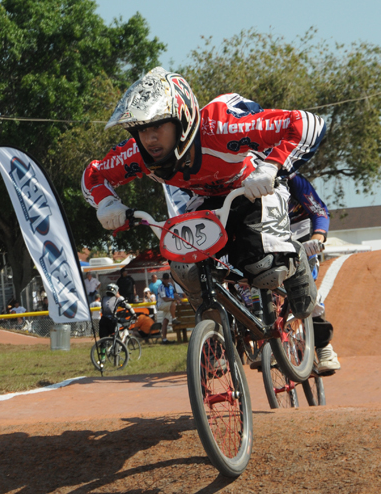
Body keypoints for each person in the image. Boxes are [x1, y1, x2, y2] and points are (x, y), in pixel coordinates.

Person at [82, 66, 321, 328]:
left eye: (158, 125)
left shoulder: (220, 127)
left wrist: (271, 167)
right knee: (185, 269)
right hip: (205, 201)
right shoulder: (137, 154)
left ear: (182, 120)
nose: (149, 138)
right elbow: (94, 175)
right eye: (141, 129)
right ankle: (216, 331)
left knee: (265, 268)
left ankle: (295, 259)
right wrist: (106, 202)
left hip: (252, 188)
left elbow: (307, 123)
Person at [287, 172, 340, 373]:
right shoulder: (241, 178)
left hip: (302, 237)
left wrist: (317, 238)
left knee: (306, 287)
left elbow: (319, 212)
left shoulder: (292, 180)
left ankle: (324, 347)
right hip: (268, 240)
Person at [156, 273, 177, 344]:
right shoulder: (161, 287)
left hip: (168, 305)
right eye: (165, 279)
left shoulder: (171, 285)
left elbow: (175, 294)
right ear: (162, 279)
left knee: (165, 321)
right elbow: (164, 298)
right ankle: (174, 319)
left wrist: (180, 300)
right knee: (173, 303)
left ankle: (164, 339)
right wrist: (174, 300)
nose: (166, 280)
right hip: (162, 304)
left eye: (167, 279)